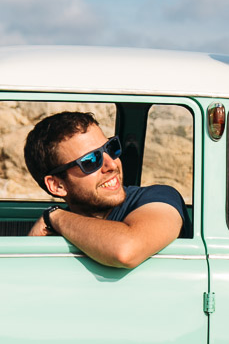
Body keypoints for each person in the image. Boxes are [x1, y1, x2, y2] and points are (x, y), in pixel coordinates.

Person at [23, 111, 189, 269]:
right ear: (58, 185)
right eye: (90, 161)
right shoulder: (60, 231)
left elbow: (126, 250)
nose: (112, 164)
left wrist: (55, 216)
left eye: (110, 148)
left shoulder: (160, 198)